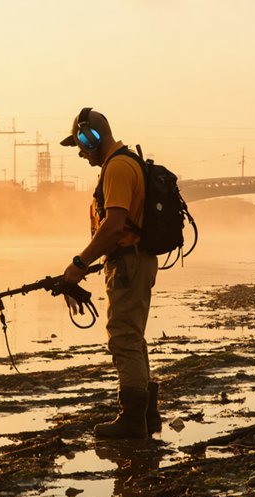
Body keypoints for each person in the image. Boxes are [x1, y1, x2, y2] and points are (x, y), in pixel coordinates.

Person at [60, 107, 159, 440]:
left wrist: (79, 263)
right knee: (133, 334)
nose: (80, 151)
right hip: (135, 261)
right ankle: (147, 414)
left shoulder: (116, 167)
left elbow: (113, 225)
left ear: (92, 136)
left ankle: (132, 420)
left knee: (123, 337)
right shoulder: (126, 162)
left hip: (128, 264)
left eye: (81, 143)